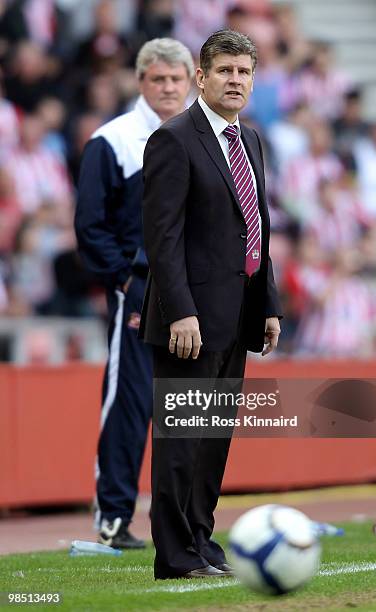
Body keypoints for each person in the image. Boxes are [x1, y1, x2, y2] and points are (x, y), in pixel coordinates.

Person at [140, 29, 282, 579]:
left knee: (213, 442)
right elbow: (163, 238)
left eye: (244, 72)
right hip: (189, 321)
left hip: (239, 314)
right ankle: (175, 555)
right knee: (181, 443)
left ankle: (201, 541)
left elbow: (258, 230)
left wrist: (267, 303)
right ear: (201, 76)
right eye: (224, 71)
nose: (235, 81)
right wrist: (180, 311)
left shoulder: (250, 139)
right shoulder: (174, 140)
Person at [74, 38, 193, 549]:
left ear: (191, 81)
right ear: (141, 82)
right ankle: (115, 516)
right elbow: (89, 225)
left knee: (192, 406)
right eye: (158, 79)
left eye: (175, 79)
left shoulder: (210, 138)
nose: (167, 88)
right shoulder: (114, 140)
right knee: (131, 403)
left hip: (198, 292)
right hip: (140, 290)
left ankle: (187, 520)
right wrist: (125, 279)